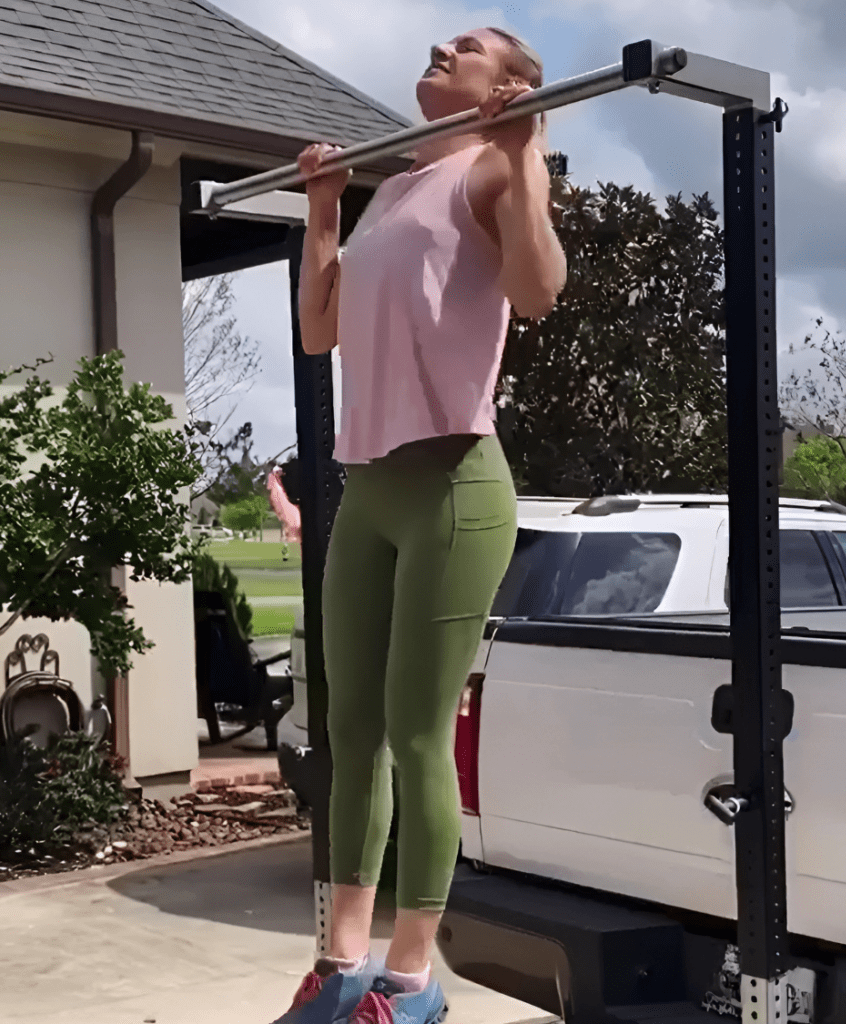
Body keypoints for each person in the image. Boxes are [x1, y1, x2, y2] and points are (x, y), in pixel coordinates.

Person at [272, 26, 567, 1024]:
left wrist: (526, 150)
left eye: (471, 44)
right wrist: (322, 213)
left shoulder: (492, 167)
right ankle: (342, 962)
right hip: (368, 489)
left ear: (512, 86)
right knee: (348, 732)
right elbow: (320, 332)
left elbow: (536, 291)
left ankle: (409, 982)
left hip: (451, 483)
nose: (444, 44)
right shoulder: (391, 185)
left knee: (413, 731)